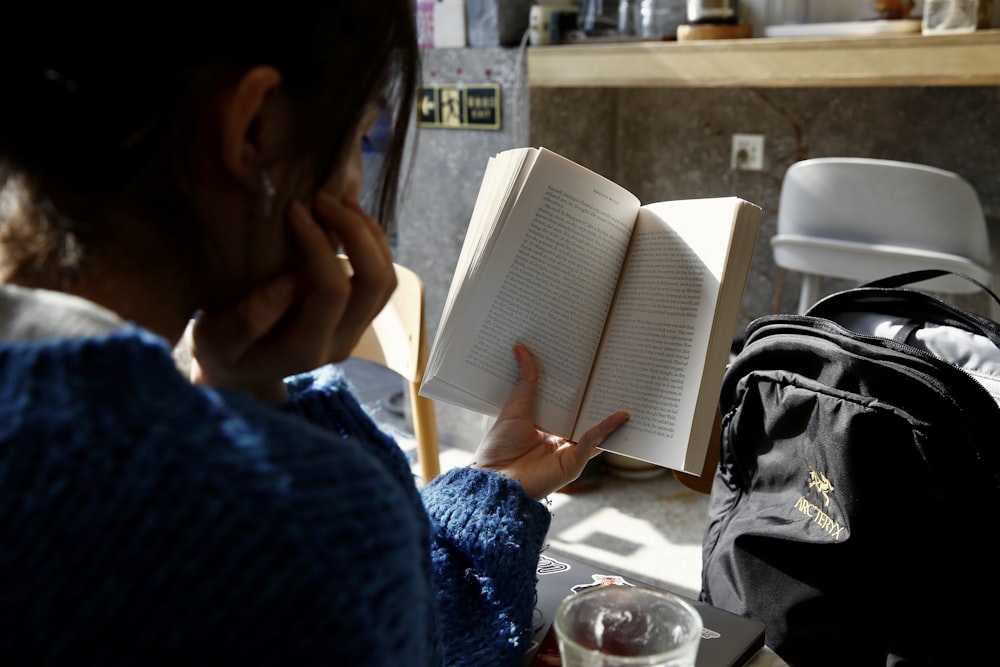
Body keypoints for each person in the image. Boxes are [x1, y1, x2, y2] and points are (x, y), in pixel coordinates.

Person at [0, 4, 629, 666]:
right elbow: (406, 630)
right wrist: (289, 429)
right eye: (360, 138)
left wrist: (247, 398)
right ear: (256, 127)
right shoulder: (306, 527)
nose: (359, 188)